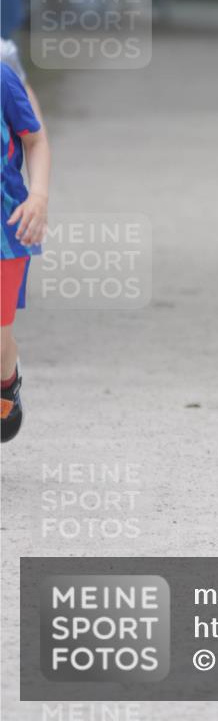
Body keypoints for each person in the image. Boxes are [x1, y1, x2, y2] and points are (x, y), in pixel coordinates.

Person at [1, 61, 51, 444]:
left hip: (6, 227)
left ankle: (6, 379)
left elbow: (35, 140)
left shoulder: (3, 77)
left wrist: (38, 197)